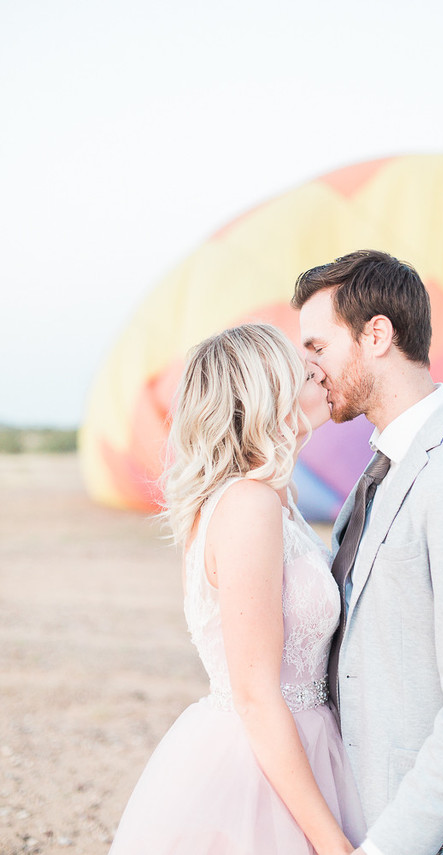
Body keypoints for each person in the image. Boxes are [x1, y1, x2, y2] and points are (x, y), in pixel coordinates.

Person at [292, 250, 443, 855]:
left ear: (377, 334)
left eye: (318, 347)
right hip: (365, 814)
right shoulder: (382, 469)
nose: (309, 369)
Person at [107, 323, 366, 855]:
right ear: (267, 393)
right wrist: (329, 841)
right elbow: (254, 693)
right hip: (258, 760)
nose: (318, 373)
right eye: (302, 371)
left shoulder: (276, 497)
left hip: (306, 741)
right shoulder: (248, 504)